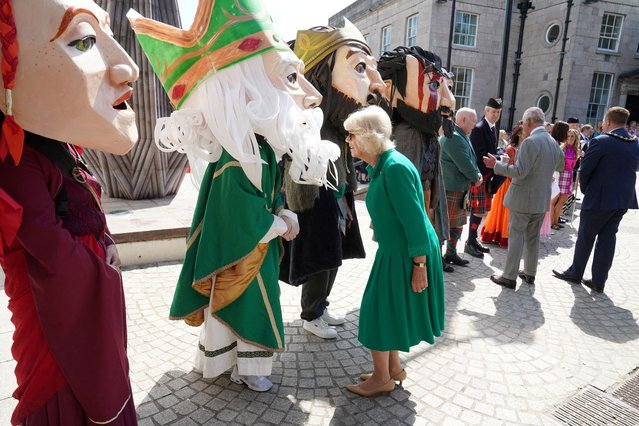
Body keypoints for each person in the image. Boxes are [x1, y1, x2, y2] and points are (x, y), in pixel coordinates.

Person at [128, 0, 339, 391]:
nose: (306, 97)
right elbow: (237, 211)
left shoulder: (262, 146)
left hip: (254, 247)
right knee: (246, 304)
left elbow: (267, 195)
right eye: (288, 81)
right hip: (240, 250)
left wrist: (283, 214)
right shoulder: (240, 152)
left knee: (248, 303)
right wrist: (279, 223)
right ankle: (243, 367)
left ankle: (239, 365)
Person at [0, 0, 139, 424]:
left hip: (90, 269)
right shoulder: (15, 156)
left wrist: (108, 242)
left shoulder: (63, 138)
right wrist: (101, 274)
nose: (127, 68)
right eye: (83, 42)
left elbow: (88, 196)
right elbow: (44, 241)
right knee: (61, 384)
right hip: (56, 299)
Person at [281, 20, 384, 339]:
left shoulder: (338, 125)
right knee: (321, 255)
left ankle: (321, 305)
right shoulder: (306, 119)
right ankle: (311, 314)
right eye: (360, 67)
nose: (374, 83)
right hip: (313, 194)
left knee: (334, 255)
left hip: (337, 192)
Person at [343, 106, 445, 397]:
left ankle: (381, 378)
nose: (348, 140)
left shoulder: (394, 167)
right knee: (389, 311)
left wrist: (419, 266)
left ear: (366, 137)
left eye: (351, 135)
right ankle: (393, 369)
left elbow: (415, 220)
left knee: (377, 313)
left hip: (407, 254)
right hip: (397, 252)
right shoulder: (384, 165)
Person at [377, 46, 456, 250]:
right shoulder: (407, 134)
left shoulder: (425, 132)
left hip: (424, 215)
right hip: (411, 233)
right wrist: (419, 250)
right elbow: (404, 196)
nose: (450, 101)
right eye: (433, 86)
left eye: (449, 88)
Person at [553, 107, 639, 293]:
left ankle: (576, 272)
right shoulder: (635, 142)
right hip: (623, 199)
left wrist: (587, 190)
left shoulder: (601, 141)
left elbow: (585, 171)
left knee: (586, 236)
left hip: (599, 198)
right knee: (608, 238)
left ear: (608, 121)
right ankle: (599, 281)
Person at [484, 107, 563, 289]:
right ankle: (529, 273)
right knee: (533, 238)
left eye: (523, 123)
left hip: (523, 199)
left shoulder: (530, 142)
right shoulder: (552, 142)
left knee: (517, 236)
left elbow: (519, 172)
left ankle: (510, 276)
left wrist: (496, 165)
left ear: (528, 122)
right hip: (541, 199)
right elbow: (559, 166)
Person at [440, 108, 482, 270]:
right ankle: (439, 257)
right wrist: (475, 177)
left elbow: (471, 160)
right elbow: (465, 164)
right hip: (451, 189)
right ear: (463, 120)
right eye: (473, 120)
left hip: (458, 189)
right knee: (445, 225)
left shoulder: (461, 135)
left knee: (456, 225)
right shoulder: (454, 138)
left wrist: (477, 174)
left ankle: (451, 253)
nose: (475, 125)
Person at [465, 97, 503, 258]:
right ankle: (470, 242)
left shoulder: (493, 128)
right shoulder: (480, 128)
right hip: (480, 175)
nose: (496, 115)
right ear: (485, 111)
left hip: (487, 175)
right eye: (493, 112)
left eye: (498, 112)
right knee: (478, 209)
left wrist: (498, 154)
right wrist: (499, 157)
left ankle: (473, 240)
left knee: (481, 211)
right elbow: (478, 154)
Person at [481, 123, 523, 247]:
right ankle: (498, 234)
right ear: (519, 134)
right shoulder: (511, 149)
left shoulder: (525, 148)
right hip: (506, 182)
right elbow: (505, 166)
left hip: (516, 182)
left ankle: (508, 235)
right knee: (502, 210)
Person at [551, 128, 580, 229]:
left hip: (570, 175)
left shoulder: (576, 150)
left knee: (564, 200)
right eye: (568, 136)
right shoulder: (562, 148)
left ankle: (555, 220)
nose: (570, 138)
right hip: (561, 174)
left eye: (572, 136)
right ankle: (552, 222)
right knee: (555, 200)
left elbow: (574, 166)